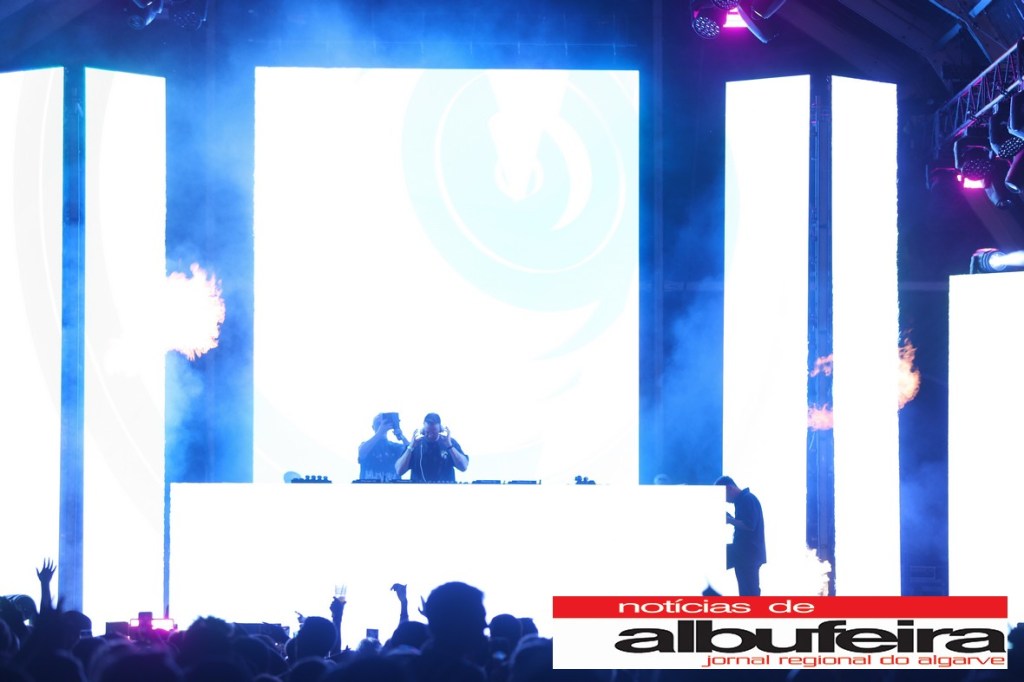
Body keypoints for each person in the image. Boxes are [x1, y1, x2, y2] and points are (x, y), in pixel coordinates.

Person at [715, 475, 766, 596]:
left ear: (729, 488)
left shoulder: (747, 499)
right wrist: (731, 519)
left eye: (724, 496)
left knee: (749, 592)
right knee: (747, 591)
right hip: (744, 553)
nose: (725, 500)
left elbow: (749, 525)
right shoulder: (743, 500)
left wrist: (729, 520)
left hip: (748, 554)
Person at [395, 413, 468, 482]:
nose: (430, 435)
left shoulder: (449, 442)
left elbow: (463, 467)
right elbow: (399, 471)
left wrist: (449, 446)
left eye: (434, 432)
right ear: (423, 430)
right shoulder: (415, 444)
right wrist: (410, 447)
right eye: (427, 432)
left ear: (440, 429)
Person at [358, 413, 409, 482]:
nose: (381, 425)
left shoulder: (395, 447)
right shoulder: (366, 446)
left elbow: (411, 452)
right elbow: (361, 452)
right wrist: (380, 432)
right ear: (373, 427)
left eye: (384, 422)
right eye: (378, 423)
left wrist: (401, 436)